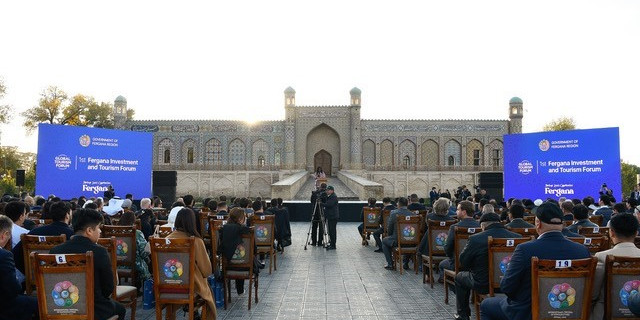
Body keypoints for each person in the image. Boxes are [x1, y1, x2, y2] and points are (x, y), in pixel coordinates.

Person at [480, 202, 591, 320]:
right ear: (562, 224)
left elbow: (507, 287)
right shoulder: (582, 251)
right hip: (570, 312)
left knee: (486, 305)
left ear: (537, 223)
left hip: (529, 313)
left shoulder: (525, 249)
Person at [50, 208, 126, 320]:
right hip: (93, 309)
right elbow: (108, 288)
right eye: (99, 227)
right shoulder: (100, 252)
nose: (100, 231)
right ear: (89, 230)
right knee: (121, 309)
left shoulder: (55, 251)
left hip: (60, 307)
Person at [454, 213, 521, 320]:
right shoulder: (517, 237)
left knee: (459, 277)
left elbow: (464, 261)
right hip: (512, 284)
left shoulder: (476, 239)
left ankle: (463, 315)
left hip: (483, 283)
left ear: (483, 226)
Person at [167, 208, 216, 320]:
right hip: (189, 287)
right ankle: (194, 313)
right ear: (192, 222)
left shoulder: (166, 240)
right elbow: (207, 271)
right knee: (205, 287)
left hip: (167, 285)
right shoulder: (196, 241)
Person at [590, 213, 640, 320]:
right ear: (636, 233)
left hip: (605, 315)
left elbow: (593, 294)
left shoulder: (602, 257)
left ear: (611, 232)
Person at [13, 201, 74, 274]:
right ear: (67, 215)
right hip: (64, 281)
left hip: (35, 277)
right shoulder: (72, 236)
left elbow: (14, 255)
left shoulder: (34, 233)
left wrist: (29, 273)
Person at [0, 214, 39, 320]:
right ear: (4, 235)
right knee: (38, 304)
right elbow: (13, 289)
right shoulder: (4, 255)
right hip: (4, 306)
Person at [439, 200, 480, 282]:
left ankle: (455, 288)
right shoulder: (479, 226)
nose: (456, 211)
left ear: (464, 212)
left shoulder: (454, 227)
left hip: (458, 263)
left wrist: (452, 257)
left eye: (458, 210)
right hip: (476, 263)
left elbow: (447, 247)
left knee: (442, 265)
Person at [219, 208, 255, 296]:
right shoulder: (246, 231)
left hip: (227, 264)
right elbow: (254, 249)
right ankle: (240, 290)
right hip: (244, 266)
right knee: (242, 255)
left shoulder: (223, 229)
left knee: (237, 255)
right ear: (240, 219)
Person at [382, 197, 414, 270]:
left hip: (397, 241)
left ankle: (390, 264)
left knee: (384, 241)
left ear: (398, 204)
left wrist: (390, 236)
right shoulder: (413, 215)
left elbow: (389, 228)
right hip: (411, 241)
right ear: (407, 204)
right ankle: (405, 263)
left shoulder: (394, 213)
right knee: (407, 241)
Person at [118, 211, 151, 281]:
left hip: (115, 267)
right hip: (136, 267)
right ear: (134, 221)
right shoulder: (137, 233)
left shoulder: (114, 232)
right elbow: (144, 253)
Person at [322, 185, 339, 250]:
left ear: (332, 190)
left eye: (328, 190)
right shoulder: (330, 196)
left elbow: (329, 205)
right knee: (331, 231)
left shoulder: (333, 197)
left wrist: (321, 204)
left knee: (332, 231)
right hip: (331, 216)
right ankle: (331, 244)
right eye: (326, 190)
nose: (327, 191)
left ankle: (333, 245)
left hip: (333, 217)